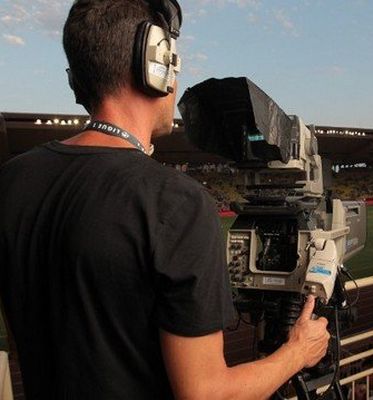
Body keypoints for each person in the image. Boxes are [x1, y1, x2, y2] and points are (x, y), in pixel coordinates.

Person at [0, 0, 330, 399]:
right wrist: (298, 352)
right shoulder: (176, 202)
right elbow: (207, 395)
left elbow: (20, 343)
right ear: (155, 65)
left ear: (78, 79)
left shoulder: (13, 179)